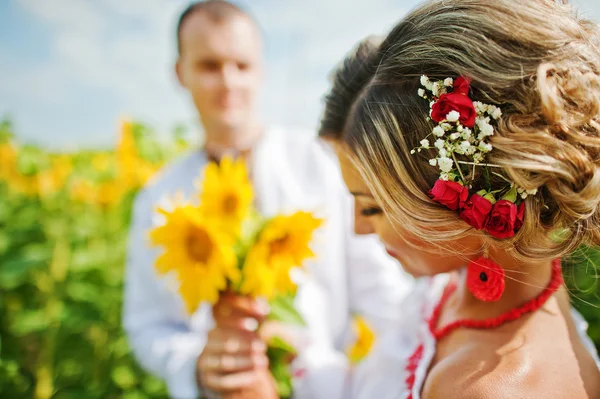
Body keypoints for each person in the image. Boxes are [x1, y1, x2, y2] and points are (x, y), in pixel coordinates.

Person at [122, 1, 412, 398]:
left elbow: (385, 295)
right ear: (180, 72)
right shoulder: (158, 198)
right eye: (209, 66)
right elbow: (146, 324)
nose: (228, 82)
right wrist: (197, 365)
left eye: (241, 65)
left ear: (261, 69)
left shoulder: (321, 161)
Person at [320, 0, 600, 397]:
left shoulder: (483, 388)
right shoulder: (493, 285)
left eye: (372, 207)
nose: (358, 228)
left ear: (467, 194)